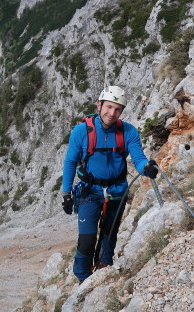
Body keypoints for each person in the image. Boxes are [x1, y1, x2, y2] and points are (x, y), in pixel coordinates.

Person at [61, 85, 157, 283]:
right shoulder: (81, 132)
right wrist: (66, 193)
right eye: (109, 107)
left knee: (109, 233)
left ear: (121, 111)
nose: (112, 113)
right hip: (89, 191)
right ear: (99, 105)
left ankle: (104, 268)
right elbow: (70, 161)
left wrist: (145, 167)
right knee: (87, 240)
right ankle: (83, 278)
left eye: (117, 109)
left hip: (116, 190)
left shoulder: (128, 132)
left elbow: (138, 158)